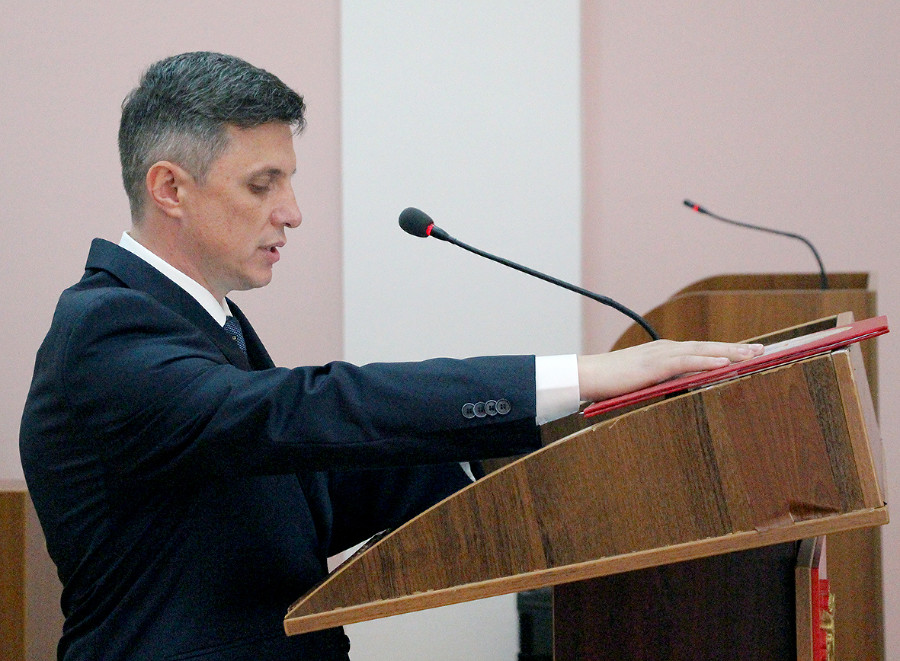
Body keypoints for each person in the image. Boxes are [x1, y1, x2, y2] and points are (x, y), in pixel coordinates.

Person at [19, 52, 763, 661]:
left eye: (289, 181)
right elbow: (294, 414)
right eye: (262, 184)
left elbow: (308, 493)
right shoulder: (106, 329)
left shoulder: (201, 322)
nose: (292, 212)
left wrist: (550, 457)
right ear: (170, 188)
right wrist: (576, 374)